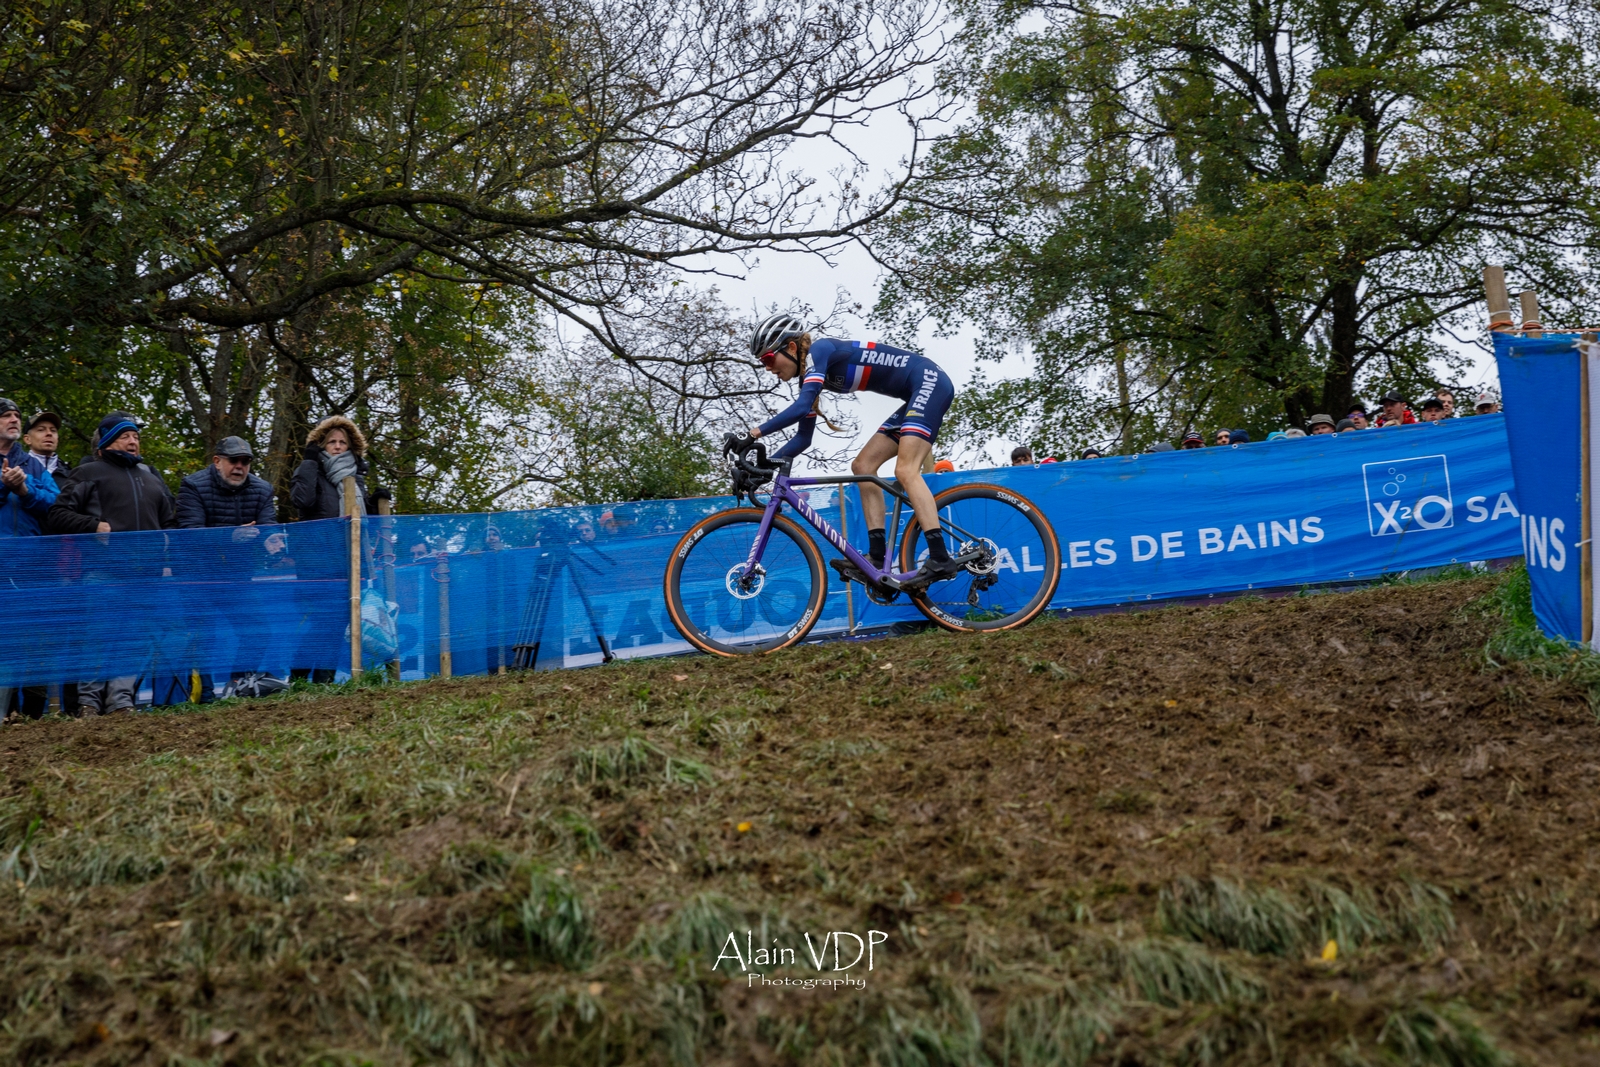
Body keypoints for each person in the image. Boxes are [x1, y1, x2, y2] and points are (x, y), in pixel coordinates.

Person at [746, 314, 959, 583]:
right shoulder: (811, 375)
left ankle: (940, 558)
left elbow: (800, 408)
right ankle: (877, 557)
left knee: (906, 470)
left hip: (930, 381)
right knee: (863, 466)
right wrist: (764, 466)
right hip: (917, 391)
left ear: (790, 347)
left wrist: (751, 434)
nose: (767, 368)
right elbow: (803, 438)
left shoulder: (820, 350)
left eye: (768, 359)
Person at [48, 412, 178, 715]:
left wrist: (167, 541)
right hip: (103, 574)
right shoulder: (87, 472)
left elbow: (170, 522)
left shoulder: (152, 478)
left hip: (146, 578)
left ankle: (121, 702)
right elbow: (57, 515)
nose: (133, 441)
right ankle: (88, 704)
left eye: (136, 436)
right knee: (98, 639)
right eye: (125, 436)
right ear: (107, 441)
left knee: (134, 641)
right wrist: (93, 526)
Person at [292, 416, 382, 521]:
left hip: (353, 532)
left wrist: (374, 505)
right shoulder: (309, 471)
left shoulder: (356, 477)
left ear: (349, 446)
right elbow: (302, 501)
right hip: (320, 532)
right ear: (321, 444)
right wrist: (309, 462)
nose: (338, 446)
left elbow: (361, 517)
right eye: (332, 442)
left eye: (342, 442)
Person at [177, 436, 276, 532]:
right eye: (233, 460)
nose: (239, 466)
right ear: (217, 462)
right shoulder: (193, 485)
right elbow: (191, 533)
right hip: (208, 544)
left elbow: (268, 528)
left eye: (245, 461)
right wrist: (231, 537)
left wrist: (271, 538)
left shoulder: (263, 490)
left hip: (250, 544)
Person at [0, 398, 60, 538]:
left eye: (17, 416)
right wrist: (3, 486)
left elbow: (57, 505)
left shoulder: (33, 464)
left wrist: (26, 492)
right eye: (6, 415)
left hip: (29, 549)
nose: (14, 420)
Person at [23, 410, 69, 478]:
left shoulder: (70, 474)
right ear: (27, 439)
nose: (49, 433)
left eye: (53, 430)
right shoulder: (17, 470)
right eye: (41, 430)